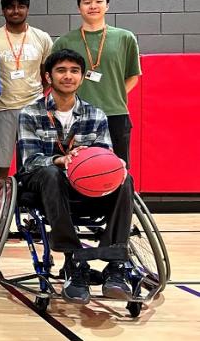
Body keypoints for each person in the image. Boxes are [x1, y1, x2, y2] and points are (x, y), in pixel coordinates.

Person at [17, 49, 133, 304]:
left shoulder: (96, 115)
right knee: (51, 173)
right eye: (61, 70)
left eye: (74, 71)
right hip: (42, 185)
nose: (67, 76)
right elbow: (28, 162)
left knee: (124, 177)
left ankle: (115, 264)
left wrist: (108, 164)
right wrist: (59, 160)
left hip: (86, 188)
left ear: (81, 78)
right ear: (48, 77)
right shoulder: (30, 113)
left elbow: (104, 160)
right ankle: (74, 260)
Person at [51, 0, 141, 167]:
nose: (93, 6)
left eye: (99, 1)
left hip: (115, 114)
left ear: (107, 5)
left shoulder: (125, 38)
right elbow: (55, 79)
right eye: (87, 2)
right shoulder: (64, 41)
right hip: (75, 115)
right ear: (79, 7)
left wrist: (116, 95)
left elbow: (133, 75)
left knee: (117, 169)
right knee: (77, 169)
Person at [0, 0, 53, 193]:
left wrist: (38, 94)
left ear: (27, 9)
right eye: (10, 7)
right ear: (3, 10)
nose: (15, 11)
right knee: (0, 166)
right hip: (1, 110)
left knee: (33, 165)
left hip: (33, 110)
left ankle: (30, 215)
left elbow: (47, 72)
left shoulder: (42, 37)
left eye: (20, 6)